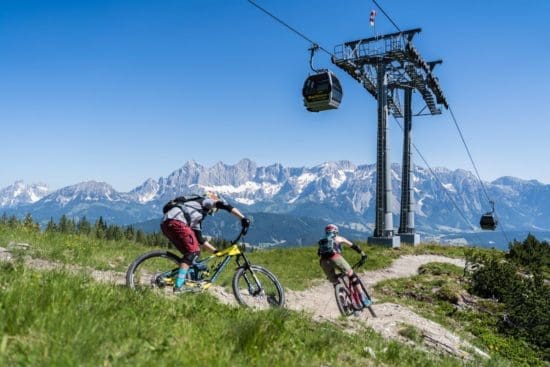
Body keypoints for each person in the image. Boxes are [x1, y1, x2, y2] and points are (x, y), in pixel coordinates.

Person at [160, 191, 250, 292]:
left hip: (166, 224)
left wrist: (216, 252)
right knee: (193, 252)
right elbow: (223, 205)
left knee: (190, 256)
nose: (214, 211)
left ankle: (178, 279)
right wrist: (243, 218)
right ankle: (178, 286)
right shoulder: (204, 201)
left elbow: (200, 239)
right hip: (177, 222)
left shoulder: (196, 216)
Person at [318, 224, 371, 306]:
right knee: (351, 275)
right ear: (336, 231)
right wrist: (362, 253)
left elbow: (319, 253)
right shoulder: (339, 238)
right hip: (335, 257)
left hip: (323, 262)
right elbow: (353, 246)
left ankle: (343, 304)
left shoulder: (322, 241)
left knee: (335, 283)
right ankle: (362, 297)